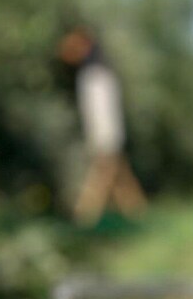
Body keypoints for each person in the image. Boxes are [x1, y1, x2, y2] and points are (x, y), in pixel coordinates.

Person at [59, 28, 146, 223]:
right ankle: (136, 213)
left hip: (104, 137)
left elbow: (102, 113)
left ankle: (85, 217)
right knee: (119, 173)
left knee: (102, 172)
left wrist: (102, 140)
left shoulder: (96, 77)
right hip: (105, 136)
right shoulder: (97, 74)